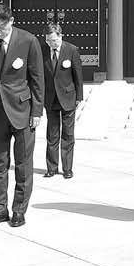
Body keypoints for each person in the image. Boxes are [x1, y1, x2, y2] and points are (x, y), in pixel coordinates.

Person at [0, 3, 44, 228]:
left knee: (23, 164)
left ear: (11, 21)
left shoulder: (28, 40)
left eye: (1, 27)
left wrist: (37, 111)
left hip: (22, 110)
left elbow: (37, 78)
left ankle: (19, 210)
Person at [42, 23, 84, 179]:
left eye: (53, 40)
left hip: (68, 97)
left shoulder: (71, 50)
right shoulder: (42, 50)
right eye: (48, 40)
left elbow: (78, 75)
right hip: (50, 98)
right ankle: (51, 168)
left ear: (60, 36)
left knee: (68, 135)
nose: (51, 43)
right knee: (52, 135)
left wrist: (79, 97)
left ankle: (67, 168)